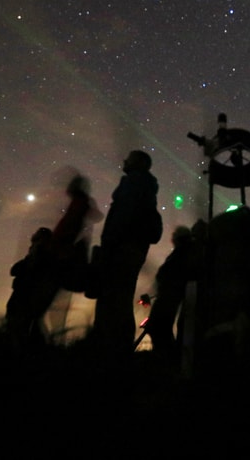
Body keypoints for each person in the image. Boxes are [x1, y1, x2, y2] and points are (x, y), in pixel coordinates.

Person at [92, 150, 161, 363]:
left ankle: (110, 352)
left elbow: (123, 216)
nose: (124, 161)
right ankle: (117, 349)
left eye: (129, 158)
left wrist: (110, 246)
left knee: (114, 299)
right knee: (121, 298)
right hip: (130, 249)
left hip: (121, 249)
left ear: (138, 163)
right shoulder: (145, 188)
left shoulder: (134, 183)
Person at [144, 225, 195, 361]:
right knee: (159, 327)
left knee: (158, 326)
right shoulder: (184, 253)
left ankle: (165, 358)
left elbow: (168, 275)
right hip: (169, 295)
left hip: (169, 296)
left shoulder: (181, 254)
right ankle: (167, 357)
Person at [6, 227, 57, 356]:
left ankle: (23, 354)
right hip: (28, 294)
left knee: (20, 326)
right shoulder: (43, 254)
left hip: (25, 294)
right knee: (25, 325)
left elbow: (18, 270)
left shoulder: (39, 254)